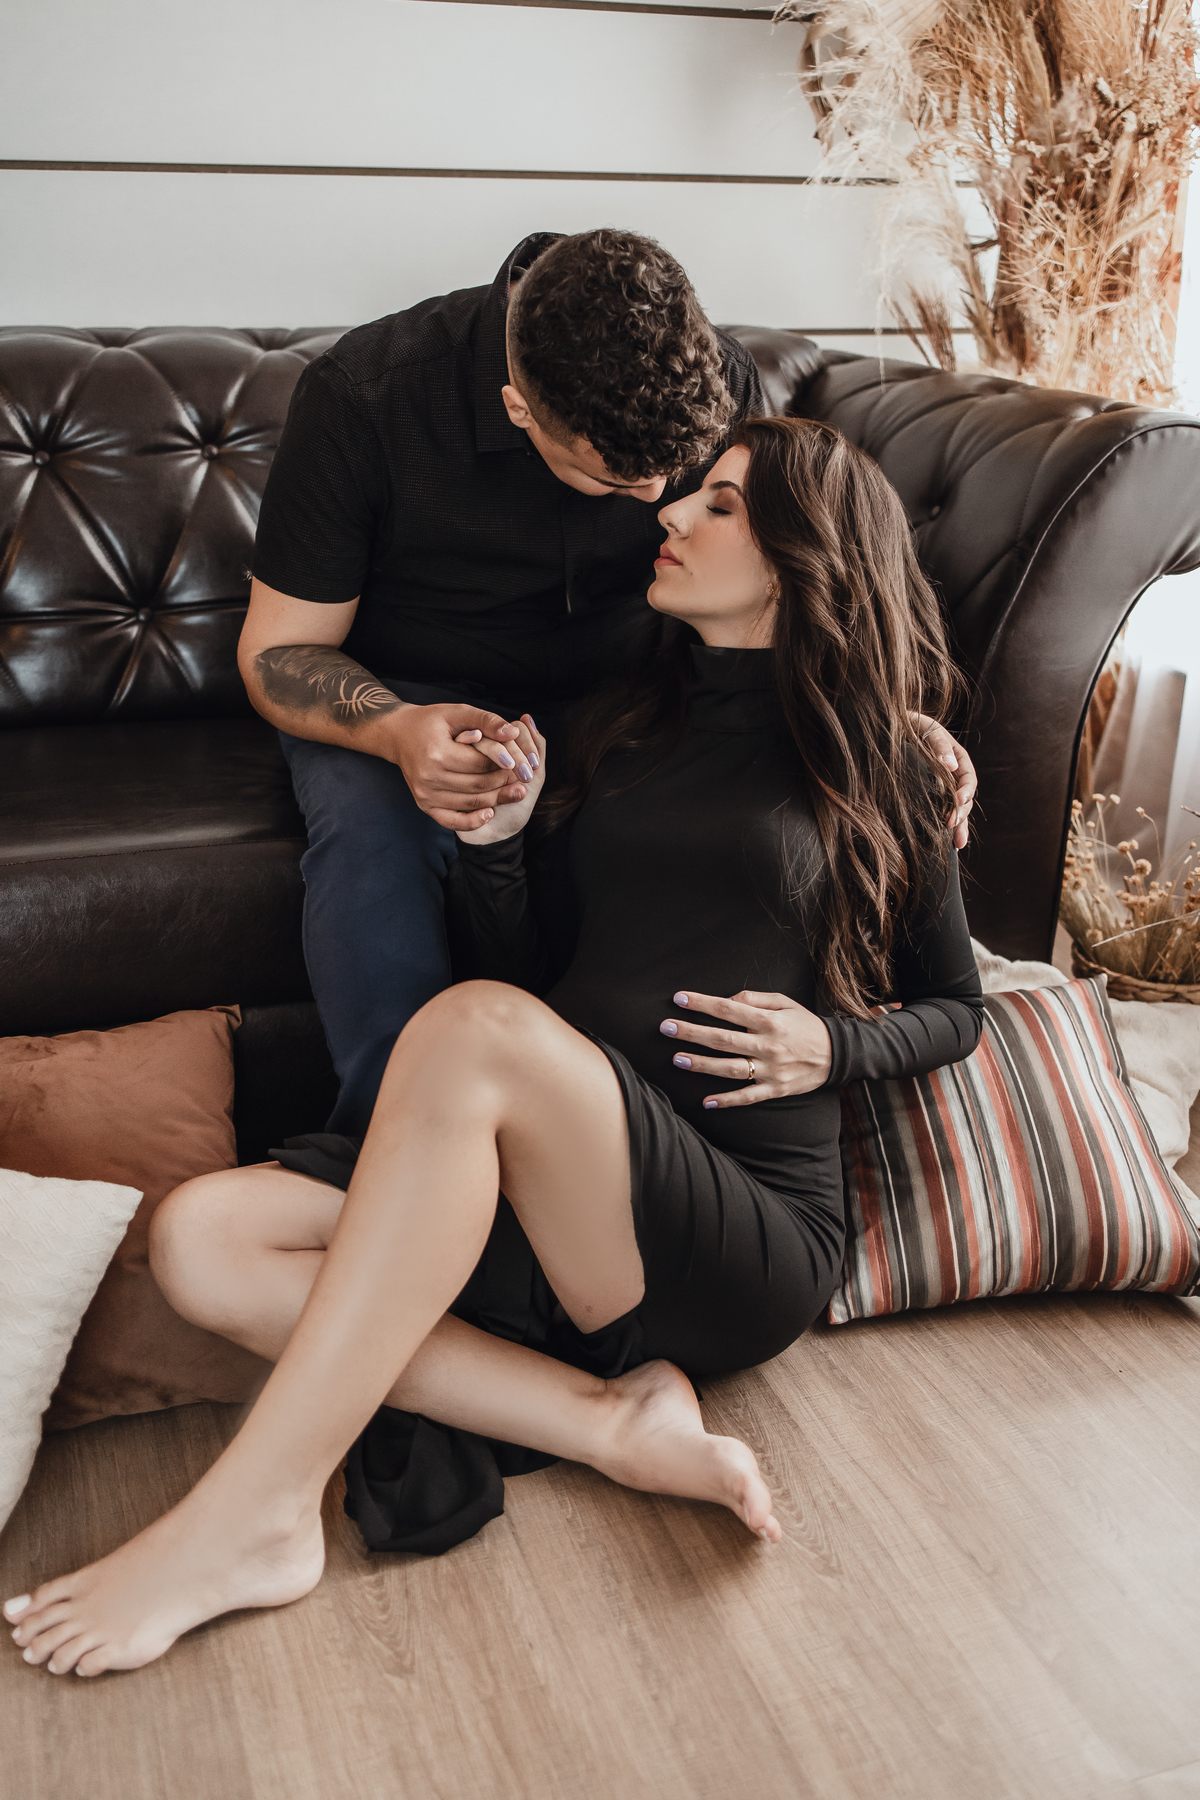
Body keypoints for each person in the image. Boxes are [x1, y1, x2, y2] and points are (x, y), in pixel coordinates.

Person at [7, 416, 984, 1678]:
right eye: (688, 495)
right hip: (558, 1184)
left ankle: (255, 1514)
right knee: (202, 1239)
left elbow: (957, 1007)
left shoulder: (889, 765)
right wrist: (502, 846)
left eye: (721, 506)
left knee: (470, 1027)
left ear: (805, 560)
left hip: (732, 1225)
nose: (672, 515)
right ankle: (609, 1422)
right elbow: (533, 974)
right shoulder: (627, 724)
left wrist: (834, 1053)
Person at [238, 228, 977, 1136]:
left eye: (676, 471)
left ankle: (607, 1140)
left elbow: (795, 566)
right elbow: (278, 652)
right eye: (617, 481)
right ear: (518, 409)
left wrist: (878, 723)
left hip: (635, 676)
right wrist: (397, 732)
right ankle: (395, 1146)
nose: (660, 501)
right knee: (373, 840)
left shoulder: (711, 373)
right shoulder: (366, 394)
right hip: (407, 691)